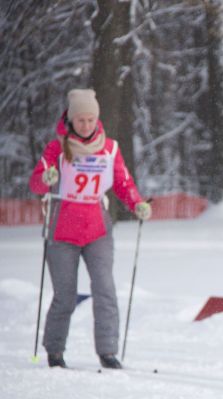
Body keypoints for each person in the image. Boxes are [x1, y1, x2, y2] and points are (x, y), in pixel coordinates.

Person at [29, 88, 152, 370]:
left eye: (90, 120)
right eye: (80, 120)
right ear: (71, 120)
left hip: (97, 229)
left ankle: (108, 352)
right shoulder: (57, 149)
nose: (86, 125)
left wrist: (137, 204)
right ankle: (55, 351)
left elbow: (123, 183)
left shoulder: (110, 148)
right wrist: (46, 179)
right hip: (61, 231)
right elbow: (35, 183)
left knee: (105, 289)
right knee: (65, 294)